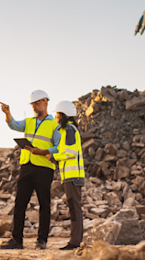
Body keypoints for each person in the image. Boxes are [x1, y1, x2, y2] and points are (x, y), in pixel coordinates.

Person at [0, 90, 60, 250]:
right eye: (32, 104)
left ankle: (42, 241)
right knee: (20, 204)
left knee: (44, 205)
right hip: (27, 167)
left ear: (45, 102)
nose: (34, 106)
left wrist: (46, 152)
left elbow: (59, 146)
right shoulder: (29, 121)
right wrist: (8, 113)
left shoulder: (54, 124)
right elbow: (13, 125)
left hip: (44, 169)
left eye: (37, 103)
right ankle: (16, 240)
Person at [50, 100, 85, 250]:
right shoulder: (67, 131)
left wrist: (54, 157)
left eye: (58, 115)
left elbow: (71, 153)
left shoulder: (70, 130)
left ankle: (75, 242)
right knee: (73, 207)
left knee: (74, 208)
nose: (56, 118)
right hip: (70, 177)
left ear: (64, 115)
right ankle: (75, 240)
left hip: (73, 177)